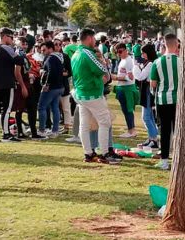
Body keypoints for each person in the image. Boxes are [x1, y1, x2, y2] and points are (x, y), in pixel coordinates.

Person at [71, 28, 121, 165]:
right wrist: (104, 63)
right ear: (89, 38)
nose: (95, 41)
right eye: (93, 38)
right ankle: (105, 153)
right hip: (92, 92)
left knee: (84, 125)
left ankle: (88, 153)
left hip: (81, 93)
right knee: (104, 122)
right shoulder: (87, 53)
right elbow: (101, 69)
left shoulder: (76, 53)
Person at [150, 33, 181, 170]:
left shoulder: (157, 62)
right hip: (179, 100)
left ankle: (164, 160)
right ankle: (178, 158)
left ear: (164, 45)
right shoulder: (181, 61)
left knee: (165, 130)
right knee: (178, 130)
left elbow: (153, 83)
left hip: (162, 100)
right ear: (177, 45)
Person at [37, 40, 67, 138]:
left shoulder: (50, 58)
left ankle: (42, 130)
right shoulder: (59, 57)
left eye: (44, 50)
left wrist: (46, 84)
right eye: (41, 50)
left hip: (52, 87)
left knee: (41, 107)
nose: (42, 52)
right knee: (55, 108)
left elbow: (51, 72)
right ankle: (55, 130)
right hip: (60, 86)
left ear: (50, 49)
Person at [133, 43, 160, 148]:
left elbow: (140, 76)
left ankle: (154, 140)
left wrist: (135, 66)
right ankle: (152, 138)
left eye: (143, 53)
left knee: (146, 117)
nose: (142, 55)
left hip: (148, 90)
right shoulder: (151, 62)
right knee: (150, 117)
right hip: (148, 90)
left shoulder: (150, 64)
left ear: (148, 53)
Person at [111, 42, 138, 138]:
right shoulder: (123, 60)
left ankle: (132, 131)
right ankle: (130, 129)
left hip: (127, 88)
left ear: (125, 50)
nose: (118, 53)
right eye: (116, 52)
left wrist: (116, 78)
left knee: (128, 110)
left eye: (120, 51)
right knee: (125, 110)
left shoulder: (128, 61)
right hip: (123, 87)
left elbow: (130, 77)